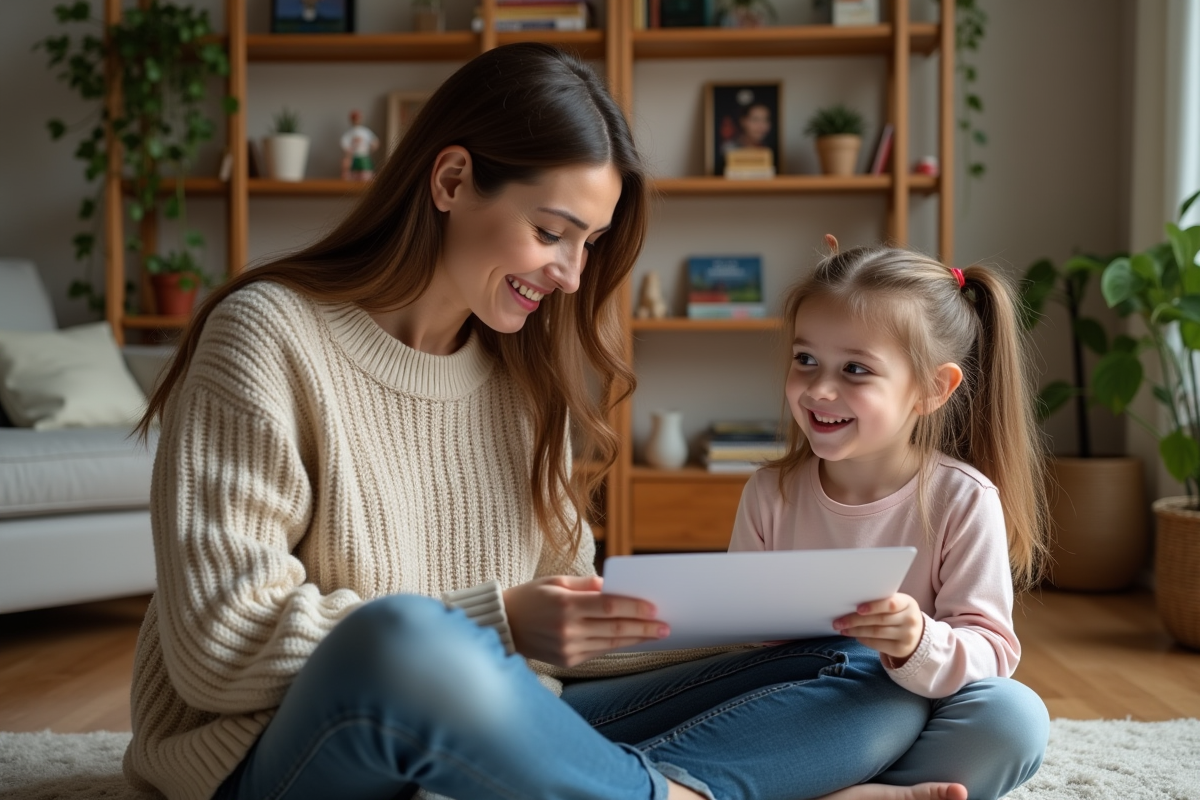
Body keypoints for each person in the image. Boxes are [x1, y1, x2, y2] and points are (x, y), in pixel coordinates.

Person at [122, 43, 967, 800]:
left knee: (860, 670)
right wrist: (503, 619)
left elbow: (564, 629)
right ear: (451, 182)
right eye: (551, 233)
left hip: (503, 721)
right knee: (406, 638)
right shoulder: (266, 335)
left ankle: (660, 790)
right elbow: (218, 646)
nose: (570, 276)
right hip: (281, 756)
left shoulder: (523, 373)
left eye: (590, 243)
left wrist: (742, 625)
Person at [727, 238, 1052, 799]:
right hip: (801, 709)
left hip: (910, 714)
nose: (819, 389)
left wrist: (915, 642)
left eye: (855, 369)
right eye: (806, 360)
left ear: (932, 390)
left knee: (1013, 718)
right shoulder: (770, 493)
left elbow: (992, 652)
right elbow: (737, 641)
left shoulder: (963, 499)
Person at [341, 109, 380, 181]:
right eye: (355, 118)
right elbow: (345, 144)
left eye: (358, 118)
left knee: (366, 175)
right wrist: (349, 151)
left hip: (364, 156)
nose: (356, 120)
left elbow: (374, 141)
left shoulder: (365, 132)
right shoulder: (349, 133)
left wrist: (374, 145)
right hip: (354, 156)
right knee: (353, 175)